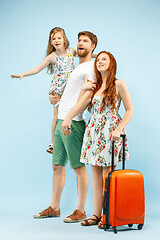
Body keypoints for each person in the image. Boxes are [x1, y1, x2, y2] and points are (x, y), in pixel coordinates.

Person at [33, 31, 98, 222]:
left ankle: (81, 210)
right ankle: (54, 207)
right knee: (57, 166)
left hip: (73, 122)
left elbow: (88, 97)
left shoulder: (91, 68)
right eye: (79, 40)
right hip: (61, 119)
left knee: (78, 168)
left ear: (92, 46)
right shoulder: (75, 67)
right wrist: (55, 98)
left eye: (85, 41)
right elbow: (70, 92)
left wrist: (70, 116)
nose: (80, 43)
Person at [63, 51, 134, 227]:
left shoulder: (119, 84)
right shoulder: (95, 86)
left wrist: (118, 129)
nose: (100, 61)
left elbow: (130, 110)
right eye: (99, 59)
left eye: (104, 59)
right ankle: (96, 215)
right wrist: (81, 92)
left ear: (112, 63)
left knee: (107, 175)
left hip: (110, 131)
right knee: (95, 174)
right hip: (94, 132)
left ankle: (107, 215)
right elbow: (80, 106)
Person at [10, 27, 76, 154]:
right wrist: (23, 74)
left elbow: (85, 54)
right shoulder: (52, 57)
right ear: (51, 42)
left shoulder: (71, 52)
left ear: (64, 39)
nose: (56, 40)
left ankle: (68, 140)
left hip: (70, 88)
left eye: (59, 38)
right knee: (56, 116)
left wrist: (99, 55)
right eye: (53, 39)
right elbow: (37, 69)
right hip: (58, 88)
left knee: (70, 113)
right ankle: (53, 143)